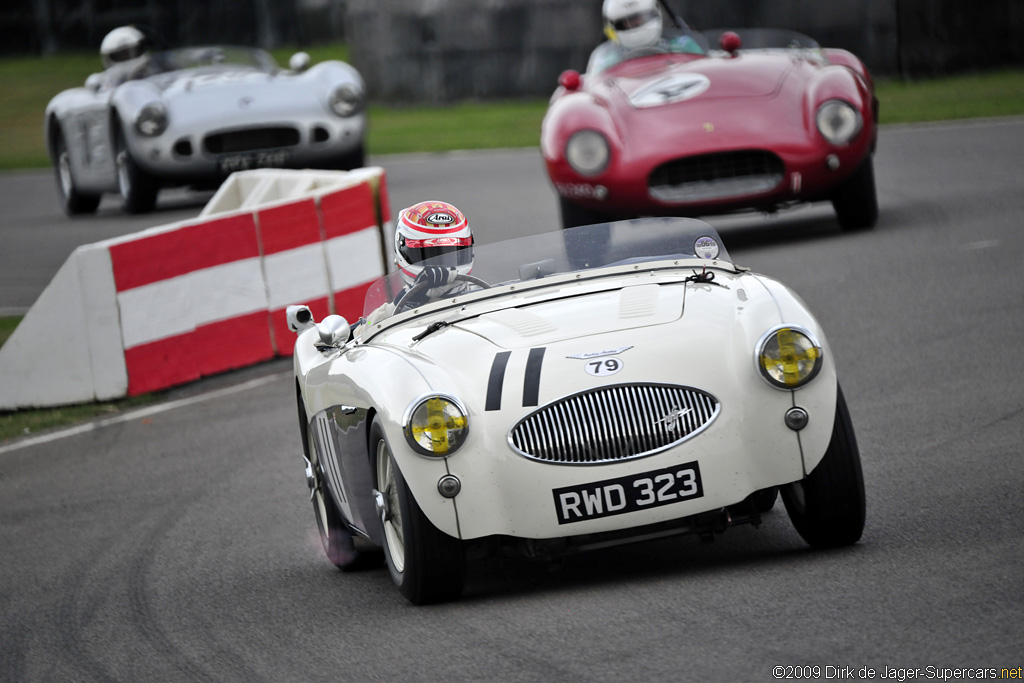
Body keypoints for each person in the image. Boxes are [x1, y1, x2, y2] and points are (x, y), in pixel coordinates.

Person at [360, 201, 479, 329]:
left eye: (450, 254)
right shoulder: (390, 313)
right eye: (429, 256)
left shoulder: (484, 296)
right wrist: (402, 304)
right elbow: (364, 333)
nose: (441, 268)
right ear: (403, 252)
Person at [587, 0, 705, 75]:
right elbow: (597, 89)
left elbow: (704, 71)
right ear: (614, 27)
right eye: (626, 23)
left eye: (641, 18)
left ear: (655, 13)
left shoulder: (684, 46)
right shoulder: (606, 61)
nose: (635, 24)